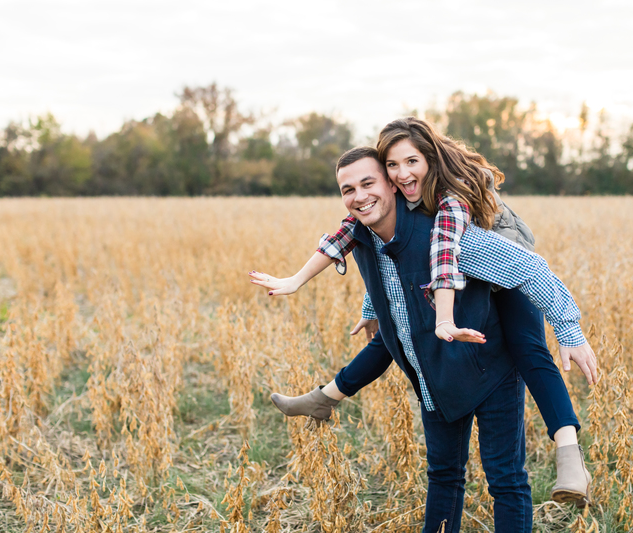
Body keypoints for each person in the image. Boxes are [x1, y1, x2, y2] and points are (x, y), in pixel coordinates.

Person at [251, 118, 597, 507]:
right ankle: (325, 397)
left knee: (528, 349)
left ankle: (569, 453)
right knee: (393, 334)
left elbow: (448, 257)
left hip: (507, 271)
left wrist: (570, 332)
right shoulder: (384, 209)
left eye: (410, 162)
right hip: (462, 286)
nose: (401, 174)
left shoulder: (448, 204)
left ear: (430, 158)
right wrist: (369, 304)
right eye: (392, 167)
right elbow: (380, 256)